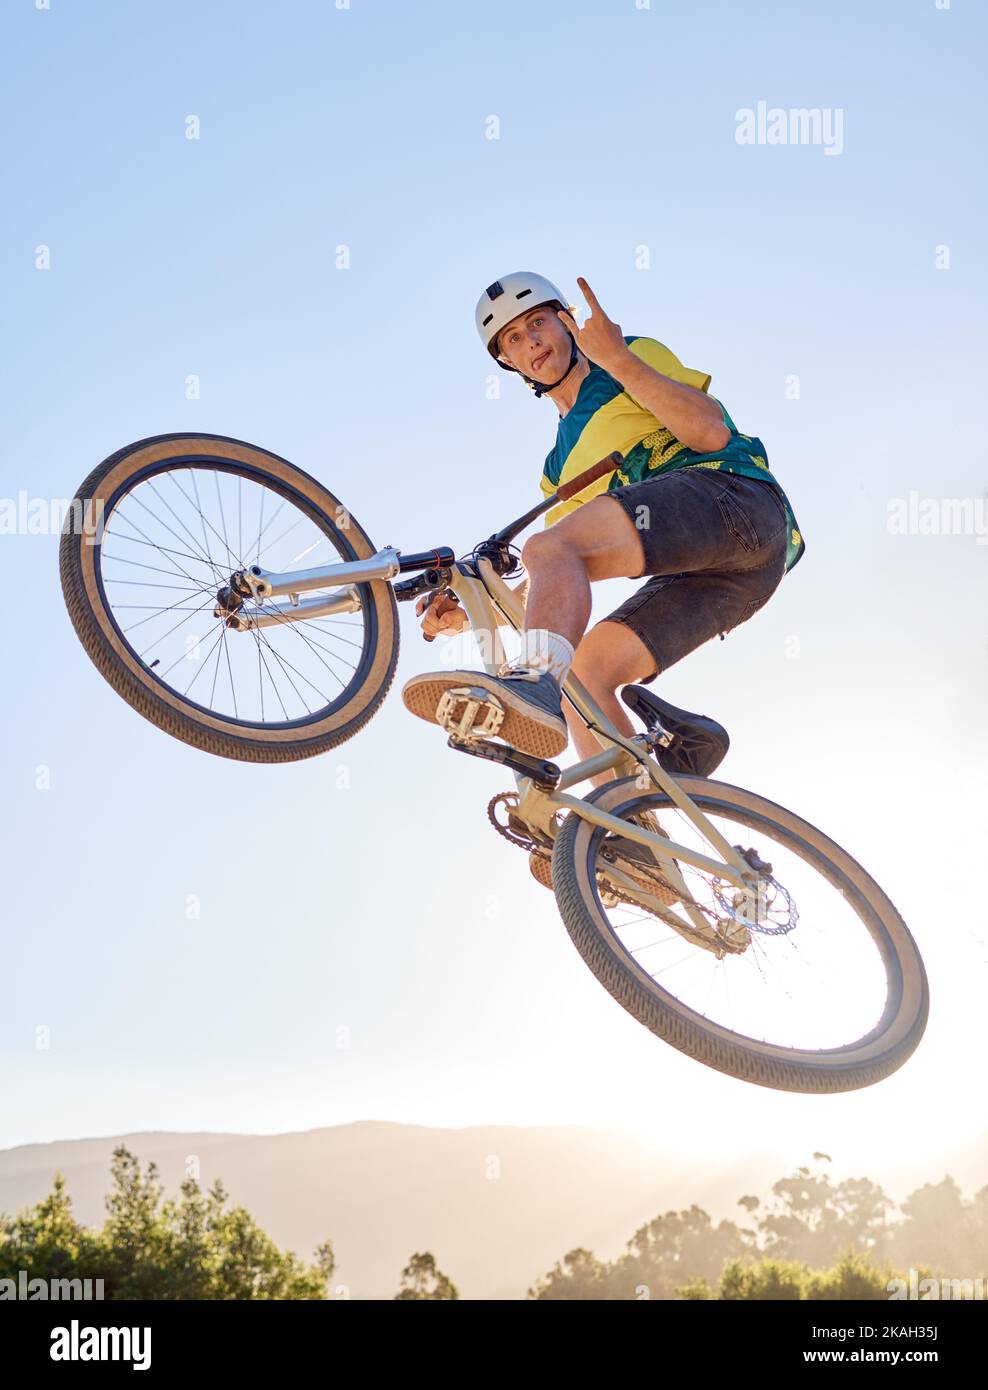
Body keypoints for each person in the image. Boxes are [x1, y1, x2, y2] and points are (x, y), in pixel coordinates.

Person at [402, 271, 804, 787]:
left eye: (538, 322)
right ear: (509, 362)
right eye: (515, 340)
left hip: (739, 503)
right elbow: (553, 581)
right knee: (584, 678)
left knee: (550, 551)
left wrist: (616, 358)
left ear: (567, 321)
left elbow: (708, 431)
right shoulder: (558, 465)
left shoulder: (629, 356)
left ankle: (535, 684)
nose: (533, 342)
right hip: (725, 579)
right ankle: (639, 838)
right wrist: (468, 615)